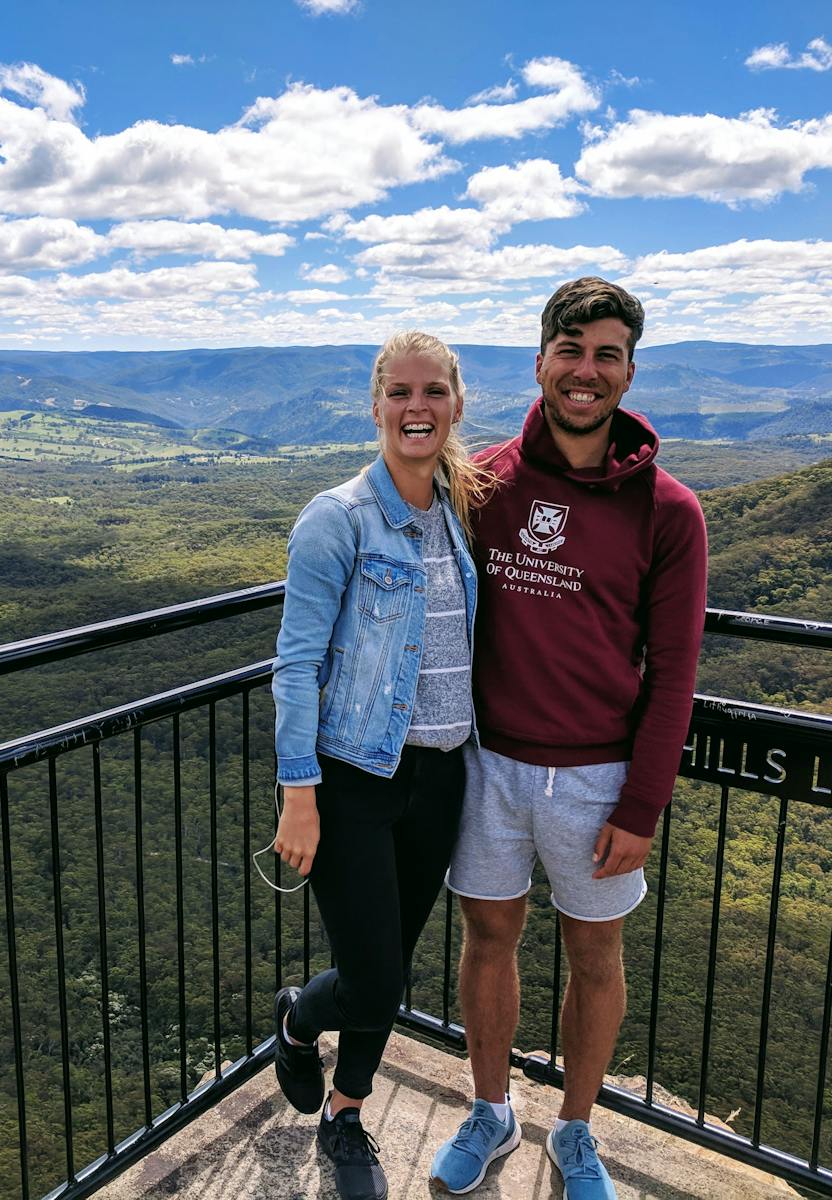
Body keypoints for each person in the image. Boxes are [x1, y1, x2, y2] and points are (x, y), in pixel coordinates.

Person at [429, 278, 708, 1199]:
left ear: (629, 371)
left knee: (595, 957)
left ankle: (577, 1128)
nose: (586, 371)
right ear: (541, 360)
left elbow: (674, 671)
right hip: (488, 764)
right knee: (487, 938)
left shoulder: (669, 511)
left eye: (606, 355)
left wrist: (643, 804)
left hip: (599, 777)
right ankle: (492, 1110)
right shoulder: (484, 480)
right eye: (571, 350)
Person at [270, 331, 491, 1200]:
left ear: (456, 405)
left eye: (433, 391)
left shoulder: (460, 509)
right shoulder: (338, 518)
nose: (416, 407)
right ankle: (298, 1020)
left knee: (390, 970)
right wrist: (299, 794)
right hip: (354, 778)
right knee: (372, 980)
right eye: (400, 392)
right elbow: (296, 664)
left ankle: (345, 1111)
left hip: (443, 775)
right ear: (376, 407)